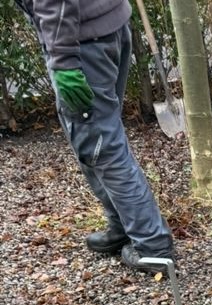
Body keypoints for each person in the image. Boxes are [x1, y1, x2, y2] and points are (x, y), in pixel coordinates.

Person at [15, 0, 174, 270]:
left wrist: (64, 61)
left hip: (82, 45)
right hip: (104, 27)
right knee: (94, 141)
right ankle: (124, 225)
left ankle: (152, 247)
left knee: (103, 150)